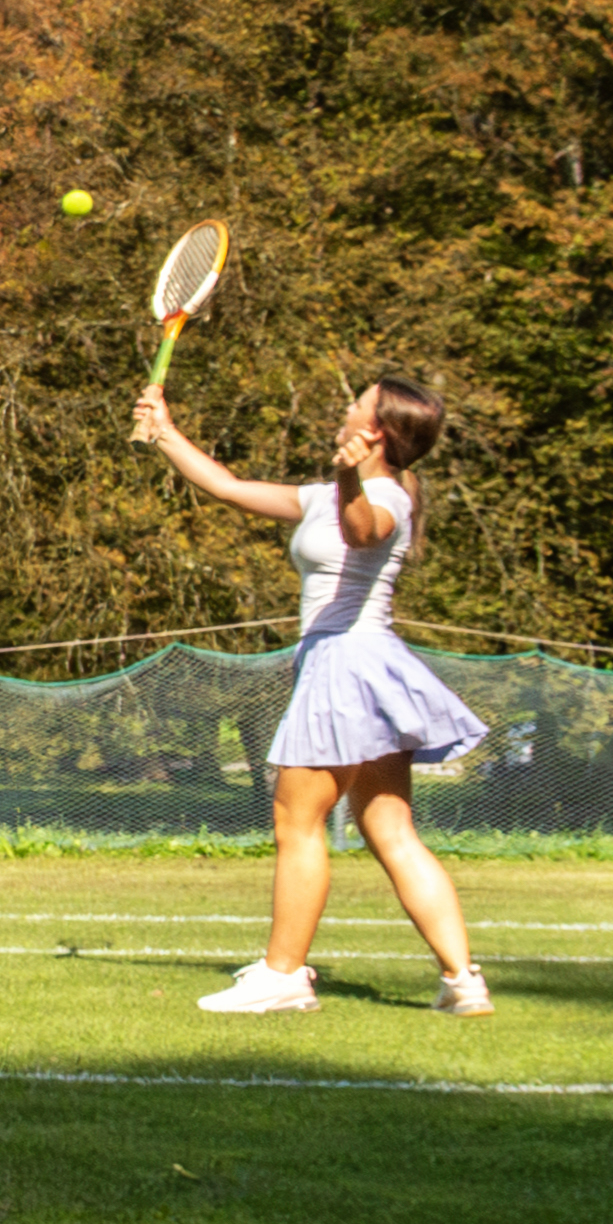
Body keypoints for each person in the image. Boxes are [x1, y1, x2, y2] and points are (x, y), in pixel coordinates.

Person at [132, 367, 491, 1017]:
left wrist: (351, 477)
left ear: (375, 430)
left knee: (295, 822)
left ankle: (284, 975)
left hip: (346, 668)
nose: (346, 406)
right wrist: (164, 431)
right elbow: (229, 486)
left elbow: (363, 530)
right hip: (363, 668)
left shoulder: (393, 495)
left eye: (358, 402)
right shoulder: (325, 492)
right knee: (390, 829)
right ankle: (463, 983)